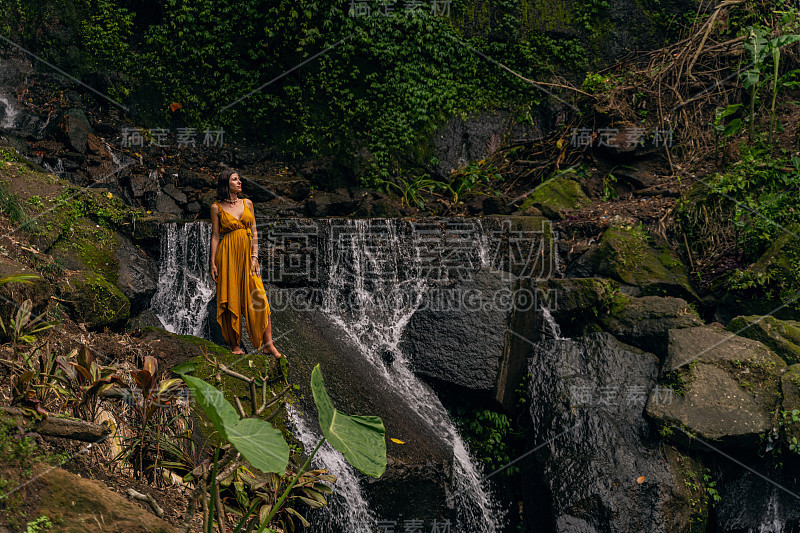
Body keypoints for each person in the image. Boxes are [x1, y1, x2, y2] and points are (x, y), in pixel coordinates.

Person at [209, 169, 282, 358]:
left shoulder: (247, 203)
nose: (240, 182)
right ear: (226, 184)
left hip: (247, 256)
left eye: (239, 179)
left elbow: (255, 231)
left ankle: (268, 344)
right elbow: (216, 236)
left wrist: (255, 257)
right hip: (227, 256)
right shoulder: (216, 207)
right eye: (235, 179)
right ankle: (235, 346)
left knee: (260, 297)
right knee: (230, 297)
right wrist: (213, 263)